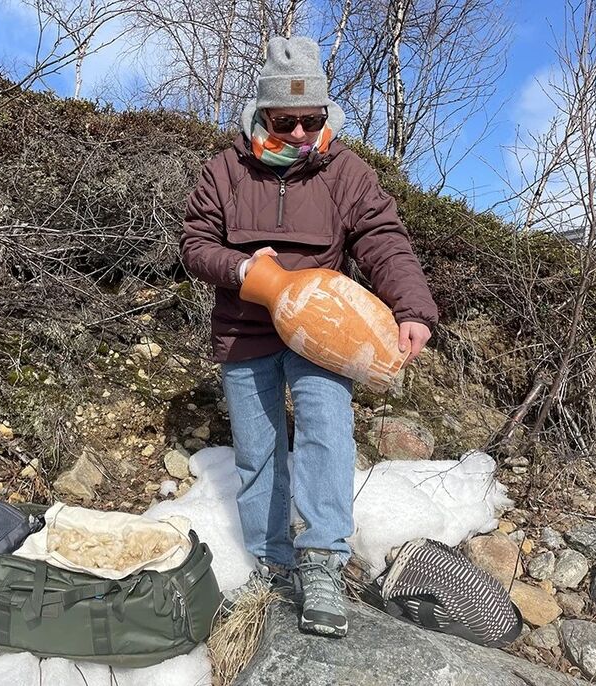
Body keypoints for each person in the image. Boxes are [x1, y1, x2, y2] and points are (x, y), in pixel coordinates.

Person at [179, 35, 438, 638]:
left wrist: (413, 308)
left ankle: (321, 561)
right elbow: (195, 244)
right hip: (245, 331)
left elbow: (383, 239)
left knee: (325, 431)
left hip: (325, 333)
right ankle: (272, 561)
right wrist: (243, 270)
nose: (299, 133)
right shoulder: (225, 170)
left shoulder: (345, 171)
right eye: (285, 119)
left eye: (311, 119)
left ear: (325, 114)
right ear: (263, 114)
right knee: (257, 449)